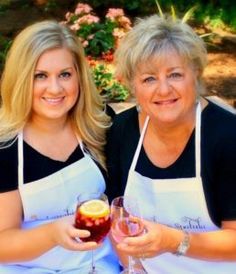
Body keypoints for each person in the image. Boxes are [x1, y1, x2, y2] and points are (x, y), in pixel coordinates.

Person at [106, 14, 236, 273]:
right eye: (149, 79)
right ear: (133, 85)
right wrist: (135, 268)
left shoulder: (227, 137)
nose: (163, 90)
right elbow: (117, 216)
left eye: (175, 74)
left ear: (195, 75)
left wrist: (173, 241)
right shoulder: (121, 131)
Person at [0, 20, 119, 273]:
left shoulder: (100, 125)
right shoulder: (5, 147)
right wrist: (53, 234)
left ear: (79, 76)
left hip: (98, 266)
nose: (55, 88)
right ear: (21, 80)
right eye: (40, 76)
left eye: (65, 74)